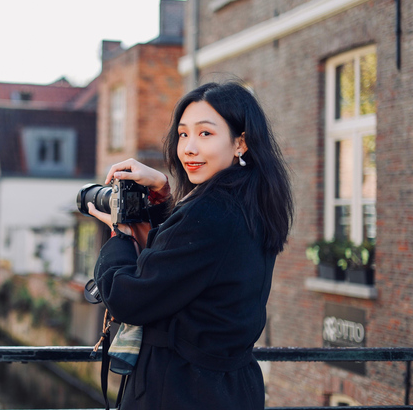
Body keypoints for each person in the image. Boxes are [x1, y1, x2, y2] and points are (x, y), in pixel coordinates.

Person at [87, 81, 293, 410]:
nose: (189, 148)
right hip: (229, 389)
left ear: (240, 142)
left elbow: (130, 299)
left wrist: (119, 235)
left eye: (205, 134)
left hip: (181, 391)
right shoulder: (252, 200)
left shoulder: (211, 213)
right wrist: (163, 197)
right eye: (183, 134)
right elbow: (182, 268)